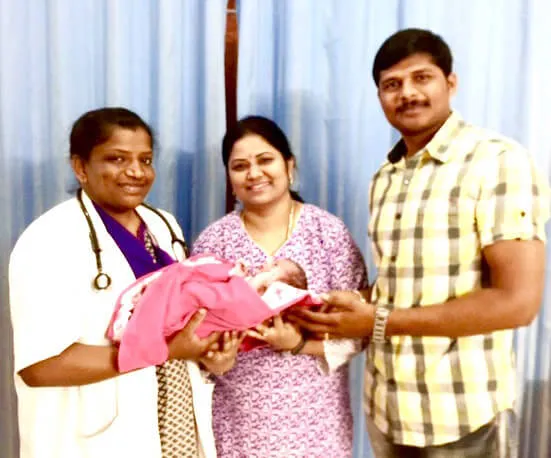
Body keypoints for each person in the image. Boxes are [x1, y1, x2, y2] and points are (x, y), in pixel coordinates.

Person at [289, 28, 551, 457]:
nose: (407, 93)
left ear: (451, 83)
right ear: (379, 97)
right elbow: (403, 284)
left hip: (462, 415)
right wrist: (351, 305)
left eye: (421, 78)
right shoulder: (386, 176)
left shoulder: (497, 161)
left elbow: (517, 303)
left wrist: (375, 321)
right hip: (387, 410)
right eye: (392, 84)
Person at [8, 107, 237, 458]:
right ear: (80, 167)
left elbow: (177, 324)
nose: (136, 171)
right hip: (93, 441)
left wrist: (209, 355)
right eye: (117, 159)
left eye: (145, 160)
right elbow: (41, 366)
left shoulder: (163, 225)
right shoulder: (48, 239)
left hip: (176, 427)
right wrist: (163, 351)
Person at [192, 115, 368, 457]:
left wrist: (299, 344)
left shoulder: (327, 233)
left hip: (317, 424)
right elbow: (195, 332)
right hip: (238, 424)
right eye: (240, 166)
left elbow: (360, 329)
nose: (254, 173)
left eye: (265, 160)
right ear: (229, 178)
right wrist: (215, 361)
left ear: (289, 166)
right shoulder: (214, 242)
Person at [107, 254, 318, 372]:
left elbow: (235, 307)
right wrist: (234, 274)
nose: (266, 263)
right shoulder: (217, 235)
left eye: (275, 265)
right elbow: (205, 276)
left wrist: (221, 361)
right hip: (159, 363)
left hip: (182, 369)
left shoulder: (262, 299)